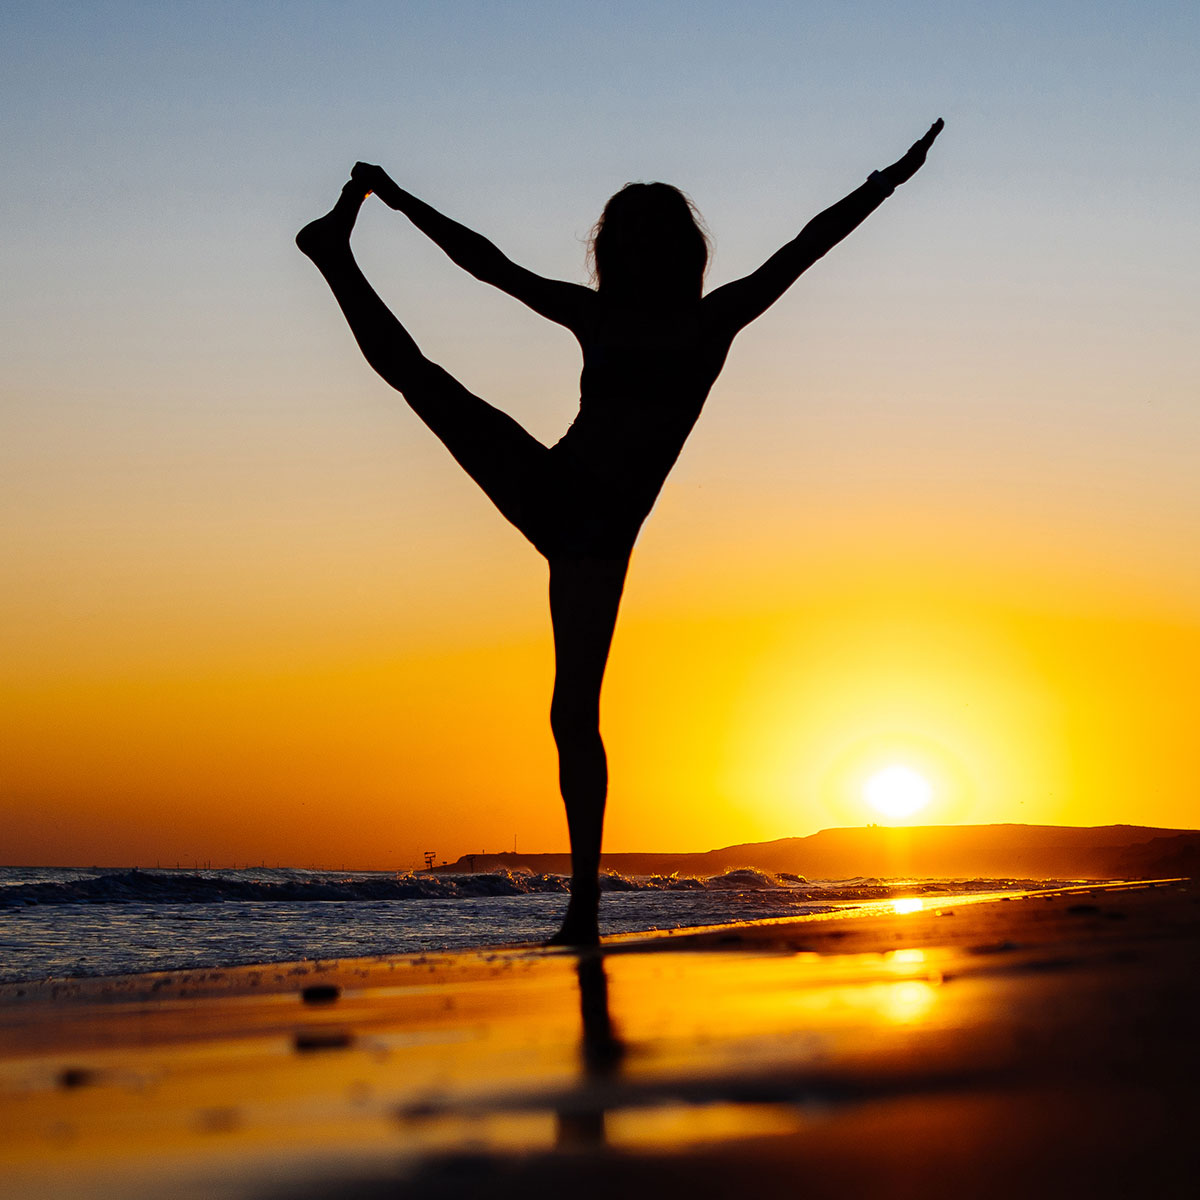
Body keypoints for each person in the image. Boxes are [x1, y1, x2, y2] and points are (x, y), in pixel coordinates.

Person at [297, 119, 944, 945]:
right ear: (613, 249)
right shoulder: (592, 314)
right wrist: (396, 197)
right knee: (420, 379)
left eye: (648, 238)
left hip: (598, 537)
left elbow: (807, 244)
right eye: (623, 238)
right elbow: (486, 264)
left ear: (676, 250)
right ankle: (333, 253)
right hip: (551, 489)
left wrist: (888, 179)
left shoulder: (715, 320)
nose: (633, 251)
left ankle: (584, 906)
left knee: (574, 713)